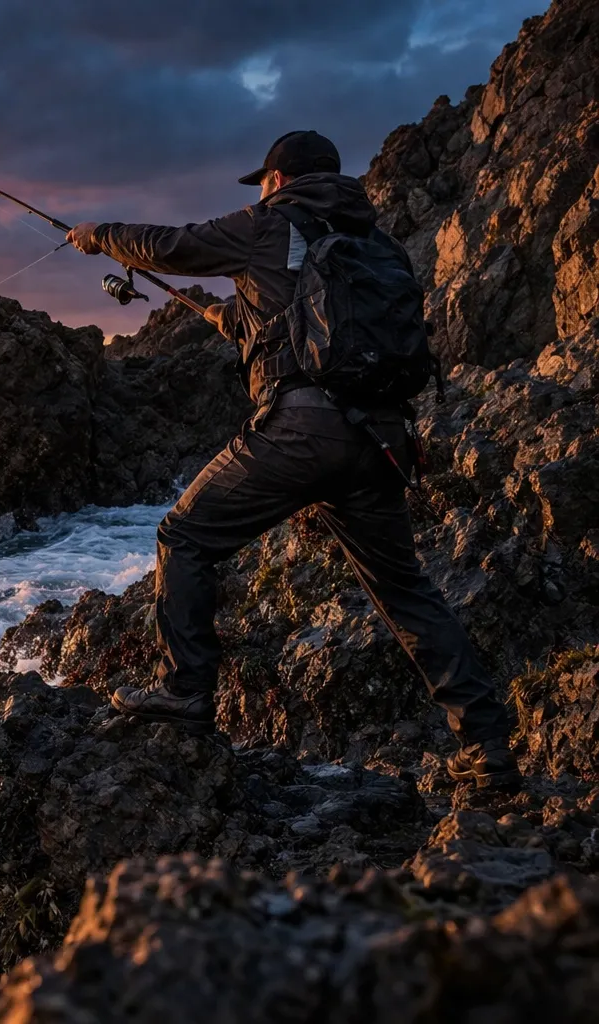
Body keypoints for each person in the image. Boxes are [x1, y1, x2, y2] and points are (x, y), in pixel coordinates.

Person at [66, 130, 519, 791]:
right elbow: (310, 323)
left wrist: (99, 233)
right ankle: (488, 748)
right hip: (380, 440)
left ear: (279, 179)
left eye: (265, 181)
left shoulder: (269, 223)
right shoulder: (375, 241)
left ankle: (184, 691)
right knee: (404, 591)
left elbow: (173, 247)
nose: (262, 190)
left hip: (301, 431)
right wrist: (233, 320)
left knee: (184, 536)